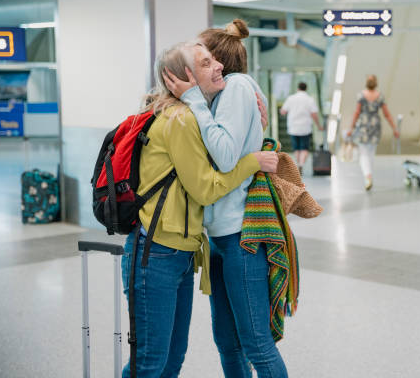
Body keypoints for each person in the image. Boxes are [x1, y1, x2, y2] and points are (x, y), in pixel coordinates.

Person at [121, 42, 279, 378]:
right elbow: (206, 188)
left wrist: (251, 108)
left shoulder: (191, 113)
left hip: (179, 253)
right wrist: (252, 162)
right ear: (184, 78)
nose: (218, 65)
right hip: (157, 252)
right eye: (206, 62)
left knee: (169, 360)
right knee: (151, 364)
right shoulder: (180, 119)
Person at [163, 19, 289, 377]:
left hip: (240, 238)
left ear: (218, 62)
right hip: (219, 237)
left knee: (256, 344)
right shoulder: (220, 97)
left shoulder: (235, 88)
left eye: (203, 60)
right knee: (227, 342)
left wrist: (193, 101)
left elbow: (225, 156)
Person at [346, 75, 399, 190]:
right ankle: (369, 174)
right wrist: (394, 128)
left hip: (363, 126)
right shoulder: (380, 97)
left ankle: (367, 176)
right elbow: (387, 114)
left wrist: (351, 127)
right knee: (371, 152)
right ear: (376, 83)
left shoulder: (361, 95)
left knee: (363, 153)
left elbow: (357, 112)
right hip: (375, 126)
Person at [280, 82, 324, 174]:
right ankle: (301, 164)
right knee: (304, 148)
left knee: (296, 148)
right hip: (305, 127)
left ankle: (297, 163)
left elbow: (283, 112)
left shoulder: (291, 98)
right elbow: (314, 114)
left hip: (293, 127)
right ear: (306, 88)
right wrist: (319, 126)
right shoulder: (309, 99)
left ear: (298, 88)